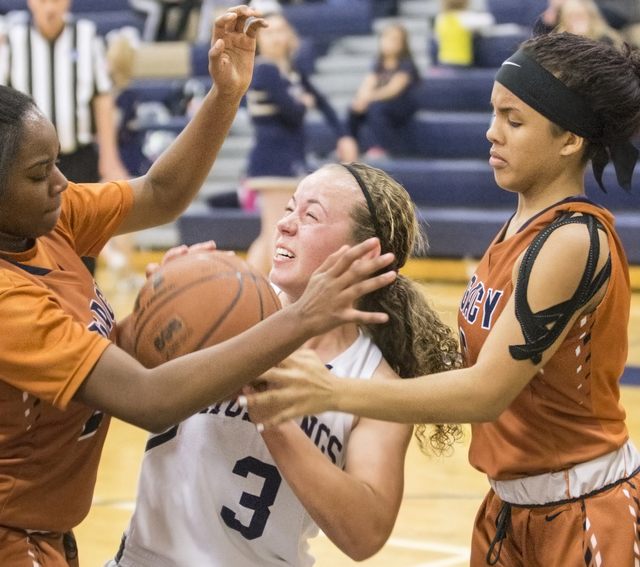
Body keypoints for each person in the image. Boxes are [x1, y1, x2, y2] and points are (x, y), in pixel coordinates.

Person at [0, 7, 396, 566]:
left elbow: (161, 191)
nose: (63, 183)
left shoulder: (52, 218)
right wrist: (298, 318)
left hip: (48, 531)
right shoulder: (6, 302)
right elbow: (147, 399)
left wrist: (225, 94)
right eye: (39, 174)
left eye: (58, 164)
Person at [245, 32, 640, 566]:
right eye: (493, 113)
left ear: (569, 140)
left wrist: (333, 390)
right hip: (509, 506)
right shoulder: (519, 227)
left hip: (584, 511)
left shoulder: (573, 240)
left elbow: (484, 393)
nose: (491, 131)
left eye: (512, 119)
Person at [109, 162, 462, 567]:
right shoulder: (223, 309)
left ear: (365, 254)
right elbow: (100, 384)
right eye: (289, 209)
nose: (286, 225)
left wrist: (273, 416)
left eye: (310, 216)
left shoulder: (373, 382)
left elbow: (366, 534)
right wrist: (152, 317)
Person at [0, 0, 130, 274]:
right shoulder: (13, 39)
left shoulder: (86, 34)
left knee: (83, 235)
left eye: (56, 0)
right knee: (32, 235)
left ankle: (85, 307)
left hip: (78, 155)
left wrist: (109, 154)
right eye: (42, 0)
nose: (49, 8)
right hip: (28, 164)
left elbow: (102, 99)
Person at [244, 10, 358, 276]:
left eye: (281, 30)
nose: (276, 37)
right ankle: (253, 292)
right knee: (275, 232)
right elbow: (293, 112)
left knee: (272, 232)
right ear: (259, 39)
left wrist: (344, 134)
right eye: (269, 32)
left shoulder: (292, 71)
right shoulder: (264, 70)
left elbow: (322, 103)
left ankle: (251, 291)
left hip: (290, 159)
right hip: (271, 161)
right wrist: (300, 102)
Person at [347, 24, 420, 158]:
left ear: (403, 44)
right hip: (381, 102)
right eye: (387, 38)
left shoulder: (405, 63)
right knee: (354, 108)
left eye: (395, 39)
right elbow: (367, 84)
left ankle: (379, 148)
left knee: (375, 108)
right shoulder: (378, 63)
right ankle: (350, 146)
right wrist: (361, 100)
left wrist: (369, 98)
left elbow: (393, 90)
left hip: (401, 104)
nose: (389, 43)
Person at [433, 0, 495, 67]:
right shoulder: (464, 18)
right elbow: (488, 20)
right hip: (461, 62)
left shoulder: (441, 18)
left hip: (444, 61)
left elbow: (438, 39)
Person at [556, 0, 623, 45]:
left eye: (580, 16)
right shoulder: (559, 40)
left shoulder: (607, 37)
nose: (576, 20)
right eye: (571, 17)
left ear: (591, 16)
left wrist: (583, 37)